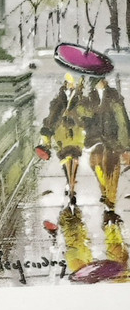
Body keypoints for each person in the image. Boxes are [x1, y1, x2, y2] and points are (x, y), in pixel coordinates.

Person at [37, 73, 89, 205]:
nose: (71, 85)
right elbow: (52, 116)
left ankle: (71, 186)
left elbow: (85, 114)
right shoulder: (59, 100)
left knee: (74, 157)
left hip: (75, 131)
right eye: (69, 83)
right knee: (66, 158)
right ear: (65, 84)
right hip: (61, 132)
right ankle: (69, 182)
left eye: (73, 83)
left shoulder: (80, 98)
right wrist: (48, 129)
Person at [84, 76, 130, 221]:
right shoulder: (91, 97)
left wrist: (125, 145)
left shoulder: (113, 96)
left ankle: (110, 201)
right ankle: (106, 192)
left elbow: (122, 120)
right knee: (96, 164)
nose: (97, 84)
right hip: (96, 139)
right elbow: (85, 117)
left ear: (103, 81)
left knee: (112, 170)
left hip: (112, 140)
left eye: (99, 81)